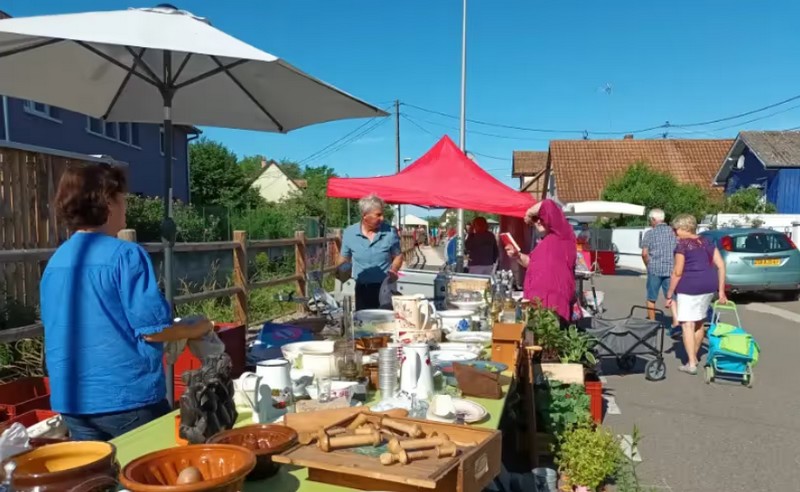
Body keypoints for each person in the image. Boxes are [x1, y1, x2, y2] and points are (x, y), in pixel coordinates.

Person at [40, 163, 213, 441]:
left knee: (99, 468)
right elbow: (153, 330)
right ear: (108, 202)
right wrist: (196, 327)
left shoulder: (57, 260)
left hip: (71, 401)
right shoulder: (125, 255)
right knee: (155, 465)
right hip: (126, 397)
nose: (126, 207)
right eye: (123, 200)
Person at [665, 214, 727, 375]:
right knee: (699, 322)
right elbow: (721, 265)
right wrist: (721, 291)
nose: (674, 232)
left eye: (675, 229)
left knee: (687, 324)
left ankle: (691, 363)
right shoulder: (707, 242)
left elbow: (677, 272)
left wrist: (669, 293)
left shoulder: (682, 245)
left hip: (689, 287)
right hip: (708, 286)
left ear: (684, 228)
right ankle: (693, 357)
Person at [505, 199, 577, 324]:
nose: (538, 221)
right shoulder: (543, 243)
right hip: (536, 303)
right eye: (535, 219)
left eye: (541, 217)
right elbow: (530, 262)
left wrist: (529, 213)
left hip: (553, 305)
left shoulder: (562, 233)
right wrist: (517, 255)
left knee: (549, 334)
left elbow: (548, 204)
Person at [338, 194, 403, 310]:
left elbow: (398, 256)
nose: (382, 218)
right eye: (378, 215)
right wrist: (342, 272)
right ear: (365, 215)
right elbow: (344, 259)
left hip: (385, 288)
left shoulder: (390, 232)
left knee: (385, 319)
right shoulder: (349, 233)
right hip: (362, 289)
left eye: (382, 214)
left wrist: (394, 269)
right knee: (363, 320)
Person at [641, 209, 677, 324]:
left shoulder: (649, 233)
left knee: (651, 298)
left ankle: (652, 323)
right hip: (670, 269)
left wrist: (648, 265)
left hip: (654, 269)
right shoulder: (673, 232)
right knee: (672, 297)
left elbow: (644, 254)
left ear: (653, 219)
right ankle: (676, 322)